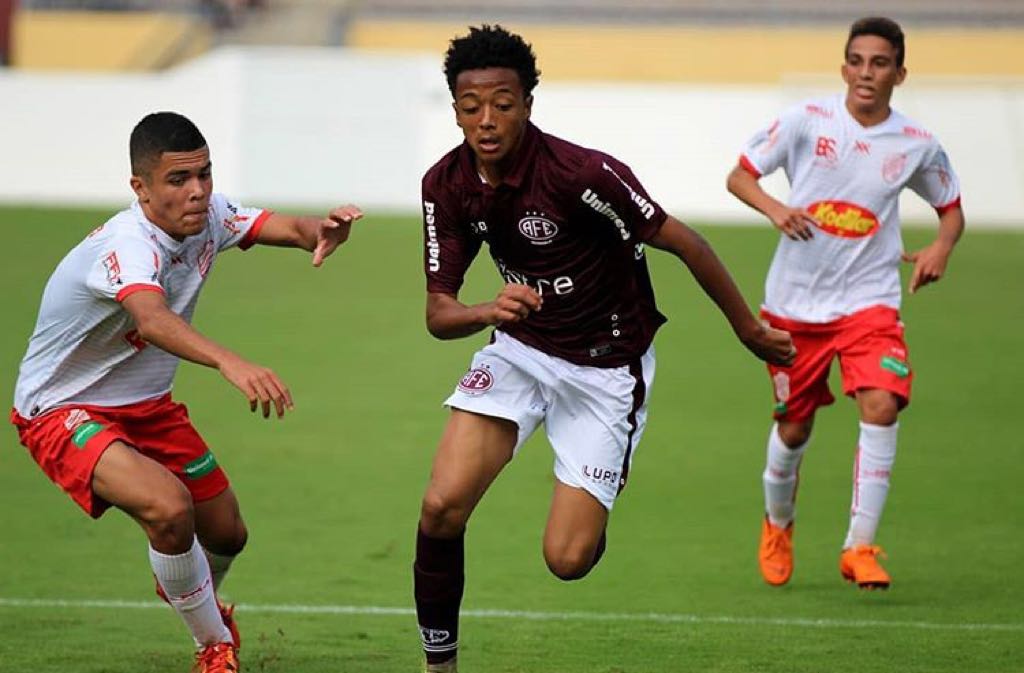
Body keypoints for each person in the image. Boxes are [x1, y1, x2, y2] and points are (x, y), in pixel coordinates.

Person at [412, 25, 795, 673]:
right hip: (520, 352)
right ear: (453, 109)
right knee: (440, 505)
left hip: (607, 368)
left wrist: (749, 330)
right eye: (471, 105)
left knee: (567, 559)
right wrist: (487, 308)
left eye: (502, 103)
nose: (486, 119)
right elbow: (439, 313)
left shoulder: (581, 173)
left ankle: (596, 495)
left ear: (529, 104)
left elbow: (687, 242)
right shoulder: (445, 183)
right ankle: (439, 667)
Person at [9, 111, 362, 672]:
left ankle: (187, 587)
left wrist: (323, 230)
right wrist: (231, 361)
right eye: (178, 180)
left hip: (146, 407)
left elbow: (289, 229)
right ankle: (213, 646)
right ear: (141, 188)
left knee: (227, 532)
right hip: (61, 409)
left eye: (204, 174)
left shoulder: (210, 215)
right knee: (169, 510)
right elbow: (150, 319)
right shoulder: (127, 245)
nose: (197, 191)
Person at [726, 17, 964, 590]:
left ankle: (860, 545)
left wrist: (940, 248)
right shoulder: (807, 122)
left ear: (899, 73)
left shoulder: (916, 144)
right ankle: (778, 522)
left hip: (869, 302)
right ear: (843, 68)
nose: (866, 73)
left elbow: (950, 208)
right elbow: (739, 176)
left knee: (882, 406)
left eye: (879, 63)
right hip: (792, 307)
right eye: (856, 61)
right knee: (793, 426)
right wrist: (776, 209)